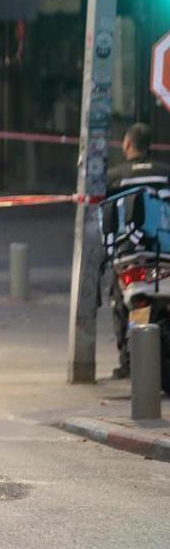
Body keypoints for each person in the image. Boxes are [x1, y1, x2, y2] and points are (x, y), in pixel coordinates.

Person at [104, 122, 170, 379]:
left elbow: (105, 214)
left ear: (128, 144)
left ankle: (128, 360)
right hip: (163, 252)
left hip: (130, 254)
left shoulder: (116, 175)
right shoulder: (166, 173)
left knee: (120, 298)